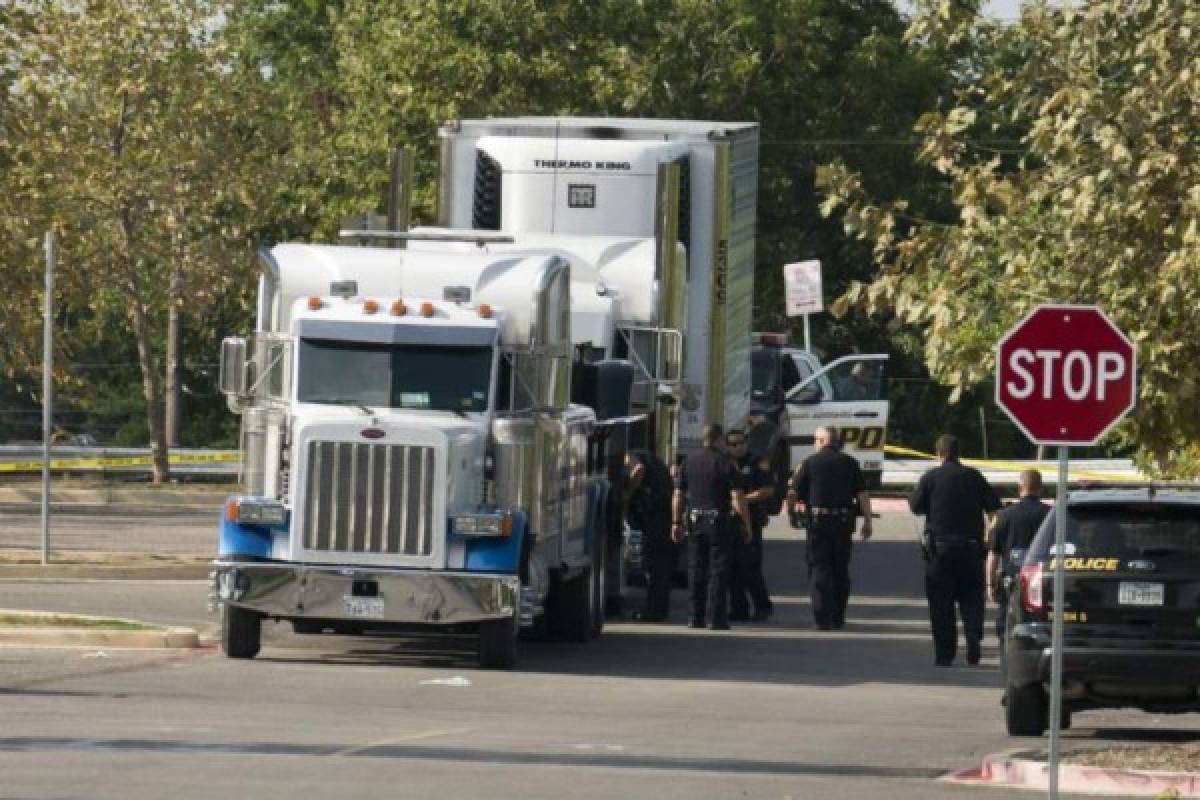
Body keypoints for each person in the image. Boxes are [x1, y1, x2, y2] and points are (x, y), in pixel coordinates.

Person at [909, 434, 1002, 667]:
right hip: (971, 548)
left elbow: (915, 507)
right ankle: (972, 634)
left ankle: (944, 654)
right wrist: (990, 539)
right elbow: (994, 512)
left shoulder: (930, 478)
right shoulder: (974, 477)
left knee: (941, 603)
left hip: (940, 551)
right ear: (958, 452)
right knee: (972, 596)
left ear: (938, 454)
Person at [790, 426, 873, 630]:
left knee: (819, 568)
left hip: (818, 523)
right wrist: (868, 521)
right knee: (840, 569)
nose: (814, 444)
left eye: (815, 440)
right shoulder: (851, 463)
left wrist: (792, 514)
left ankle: (822, 618)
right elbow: (862, 494)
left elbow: (793, 493)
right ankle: (838, 617)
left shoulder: (809, 463)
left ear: (821, 441)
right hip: (843, 523)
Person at [671, 424, 753, 630]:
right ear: (719, 440)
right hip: (718, 521)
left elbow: (678, 495)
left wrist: (676, 522)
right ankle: (715, 618)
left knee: (696, 569)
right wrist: (746, 523)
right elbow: (737, 497)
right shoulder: (724, 464)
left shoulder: (689, 462)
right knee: (718, 570)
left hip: (695, 520)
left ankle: (694, 617)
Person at [986, 469, 1050, 641]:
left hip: (1012, 581)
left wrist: (990, 584)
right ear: (1041, 488)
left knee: (1005, 626)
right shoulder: (1051, 516)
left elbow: (993, 554)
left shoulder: (1004, 515)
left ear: (1019, 487)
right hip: (1042, 580)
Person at [725, 429, 775, 622]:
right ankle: (739, 608)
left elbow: (768, 490)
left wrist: (742, 500)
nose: (738, 447)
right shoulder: (725, 462)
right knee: (731, 568)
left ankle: (763, 606)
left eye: (741, 442)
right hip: (729, 520)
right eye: (734, 444)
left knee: (751, 566)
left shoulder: (757, 462)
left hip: (752, 519)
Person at [624, 448, 678, 623]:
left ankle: (654, 611)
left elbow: (638, 469)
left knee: (655, 566)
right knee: (661, 567)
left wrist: (627, 496)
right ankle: (658, 609)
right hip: (664, 516)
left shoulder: (632, 455)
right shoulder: (652, 459)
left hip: (656, 517)